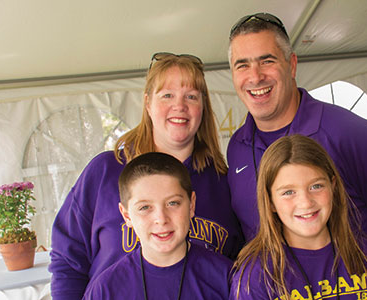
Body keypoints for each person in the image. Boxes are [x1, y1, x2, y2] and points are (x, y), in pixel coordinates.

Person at [49, 52, 244, 299]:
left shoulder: (222, 181)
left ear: (203, 107)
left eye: (191, 96)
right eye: (167, 95)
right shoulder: (105, 171)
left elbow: (243, 261)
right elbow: (67, 260)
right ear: (148, 103)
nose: (179, 106)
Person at [226, 12, 367, 278]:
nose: (255, 76)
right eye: (242, 65)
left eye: (267, 61)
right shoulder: (237, 148)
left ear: (292, 65)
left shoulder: (349, 132)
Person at [230, 135, 367, 299]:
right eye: (288, 192)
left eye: (316, 186)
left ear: (333, 187)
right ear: (270, 202)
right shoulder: (257, 277)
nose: (306, 202)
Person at [83, 152, 232, 299]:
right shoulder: (105, 290)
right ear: (127, 215)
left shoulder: (228, 278)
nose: (161, 219)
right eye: (145, 208)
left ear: (191, 205)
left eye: (172, 203)